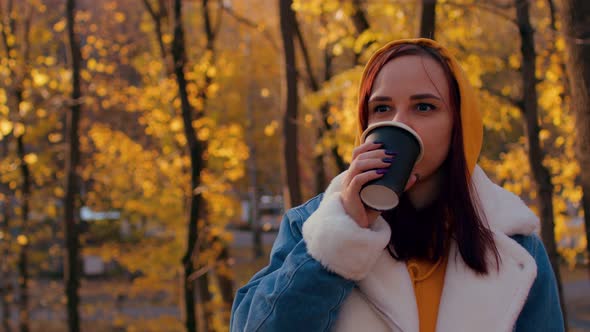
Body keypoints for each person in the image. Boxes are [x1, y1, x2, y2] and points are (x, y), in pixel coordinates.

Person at [230, 38, 564, 332]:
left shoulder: (515, 242)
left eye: (423, 107)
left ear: (459, 125)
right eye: (382, 108)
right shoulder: (312, 225)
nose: (399, 122)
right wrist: (342, 233)